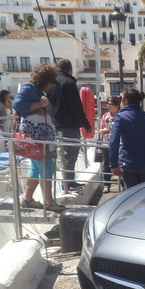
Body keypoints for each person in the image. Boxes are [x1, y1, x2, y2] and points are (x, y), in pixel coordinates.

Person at [13, 64, 65, 212]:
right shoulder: (29, 88)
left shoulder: (36, 90)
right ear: (45, 80)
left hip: (42, 137)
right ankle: (49, 201)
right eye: (52, 81)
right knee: (46, 168)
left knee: (36, 169)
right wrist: (39, 104)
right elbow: (18, 105)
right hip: (37, 137)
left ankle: (27, 199)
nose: (53, 85)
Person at [48, 58, 91, 192]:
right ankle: (68, 183)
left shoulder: (51, 83)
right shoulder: (69, 82)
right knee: (70, 154)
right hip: (69, 125)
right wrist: (86, 124)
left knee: (62, 154)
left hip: (54, 124)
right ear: (70, 69)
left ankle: (66, 182)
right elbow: (76, 106)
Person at [109, 88, 145, 188]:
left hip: (127, 163)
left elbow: (114, 141)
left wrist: (113, 165)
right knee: (143, 196)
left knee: (129, 197)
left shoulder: (120, 117)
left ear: (126, 101)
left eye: (121, 98)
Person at [99, 95, 120, 192]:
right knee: (106, 164)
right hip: (106, 144)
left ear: (117, 105)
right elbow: (100, 129)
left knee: (120, 164)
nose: (109, 105)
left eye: (111, 104)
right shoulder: (105, 116)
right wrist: (103, 131)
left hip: (117, 144)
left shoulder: (120, 116)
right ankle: (107, 185)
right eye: (108, 103)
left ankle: (122, 184)